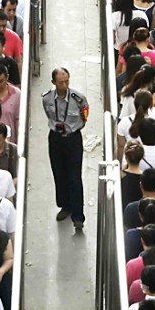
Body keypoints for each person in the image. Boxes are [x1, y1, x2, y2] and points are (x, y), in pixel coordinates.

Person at [42, 66, 89, 231]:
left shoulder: (78, 99)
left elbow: (84, 117)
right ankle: (65, 205)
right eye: (61, 82)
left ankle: (78, 216)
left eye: (67, 81)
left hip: (73, 138)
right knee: (59, 172)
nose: (64, 85)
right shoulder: (47, 98)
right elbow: (49, 115)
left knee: (75, 177)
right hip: (55, 138)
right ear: (53, 82)